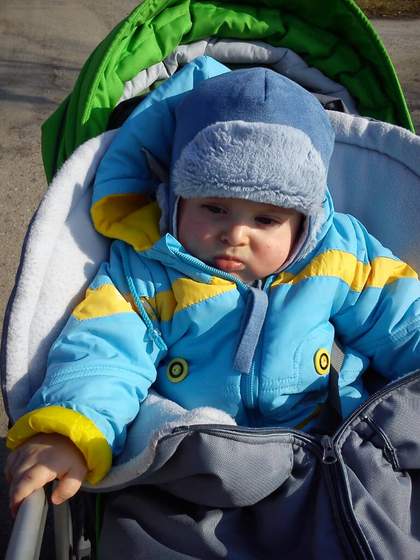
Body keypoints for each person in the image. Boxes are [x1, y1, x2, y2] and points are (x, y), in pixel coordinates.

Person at [5, 63, 420, 515]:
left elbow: (401, 318)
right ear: (177, 198)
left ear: (305, 219)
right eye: (215, 208)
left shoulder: (338, 254)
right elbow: (106, 351)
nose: (235, 234)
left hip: (322, 448)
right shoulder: (148, 270)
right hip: (195, 470)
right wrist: (73, 427)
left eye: (266, 219)